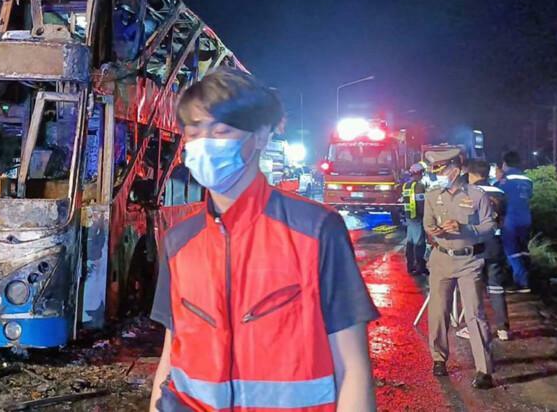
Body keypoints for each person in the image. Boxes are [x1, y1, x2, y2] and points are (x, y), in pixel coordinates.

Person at [149, 68, 379, 411]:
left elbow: (353, 369)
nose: (204, 144)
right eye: (194, 132)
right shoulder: (178, 242)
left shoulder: (316, 231)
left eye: (221, 131)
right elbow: (170, 357)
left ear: (260, 136)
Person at [423, 151, 496, 389]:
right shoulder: (432, 195)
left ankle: (484, 370)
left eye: (442, 170)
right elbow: (427, 223)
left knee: (474, 314)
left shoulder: (477, 195)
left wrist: (466, 228)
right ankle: (438, 359)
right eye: (435, 171)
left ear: (455, 169)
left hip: (469, 261)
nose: (439, 176)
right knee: (438, 312)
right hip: (441, 259)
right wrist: (434, 230)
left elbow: (489, 226)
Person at [456, 160, 511, 342]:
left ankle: (475, 328)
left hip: (475, 244)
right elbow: (502, 218)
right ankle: (503, 329)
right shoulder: (500, 192)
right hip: (495, 242)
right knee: (496, 286)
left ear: (471, 174)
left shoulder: (468, 192)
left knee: (473, 288)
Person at [498, 151, 534, 293]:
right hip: (526, 218)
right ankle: (528, 279)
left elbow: (497, 195)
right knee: (523, 250)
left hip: (510, 219)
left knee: (511, 251)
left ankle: (521, 283)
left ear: (505, 163)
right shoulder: (528, 180)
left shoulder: (505, 180)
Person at [402, 162, 428, 275]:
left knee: (410, 242)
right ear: (418, 173)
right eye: (422, 173)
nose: (422, 175)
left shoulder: (406, 185)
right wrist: (426, 216)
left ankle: (410, 266)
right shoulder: (419, 186)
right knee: (419, 243)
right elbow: (421, 203)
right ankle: (420, 267)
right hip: (417, 217)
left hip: (409, 217)